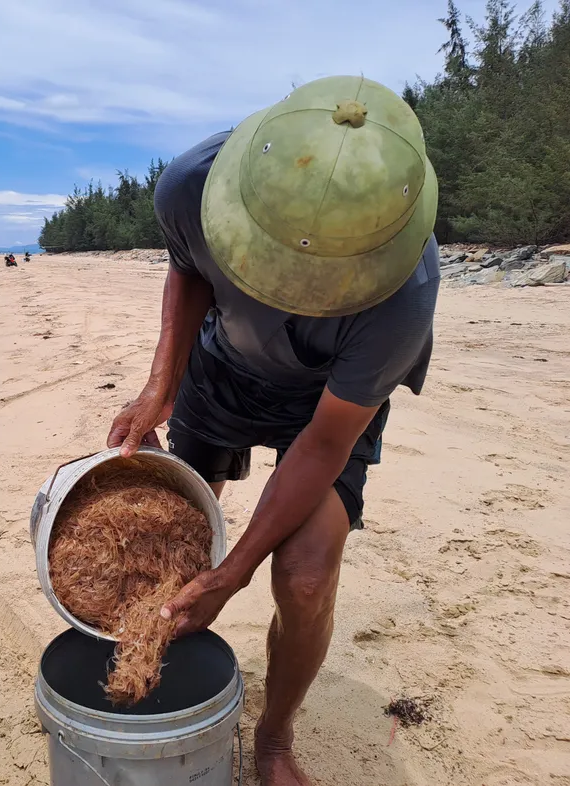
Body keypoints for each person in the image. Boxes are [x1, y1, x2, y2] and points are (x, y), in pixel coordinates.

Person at [106, 76, 440, 786]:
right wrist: (161, 382)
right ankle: (150, 656)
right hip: (223, 368)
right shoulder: (192, 183)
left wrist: (235, 572)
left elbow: (324, 444)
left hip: (325, 402)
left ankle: (276, 737)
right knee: (170, 524)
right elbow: (190, 265)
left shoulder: (404, 297)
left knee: (308, 572)